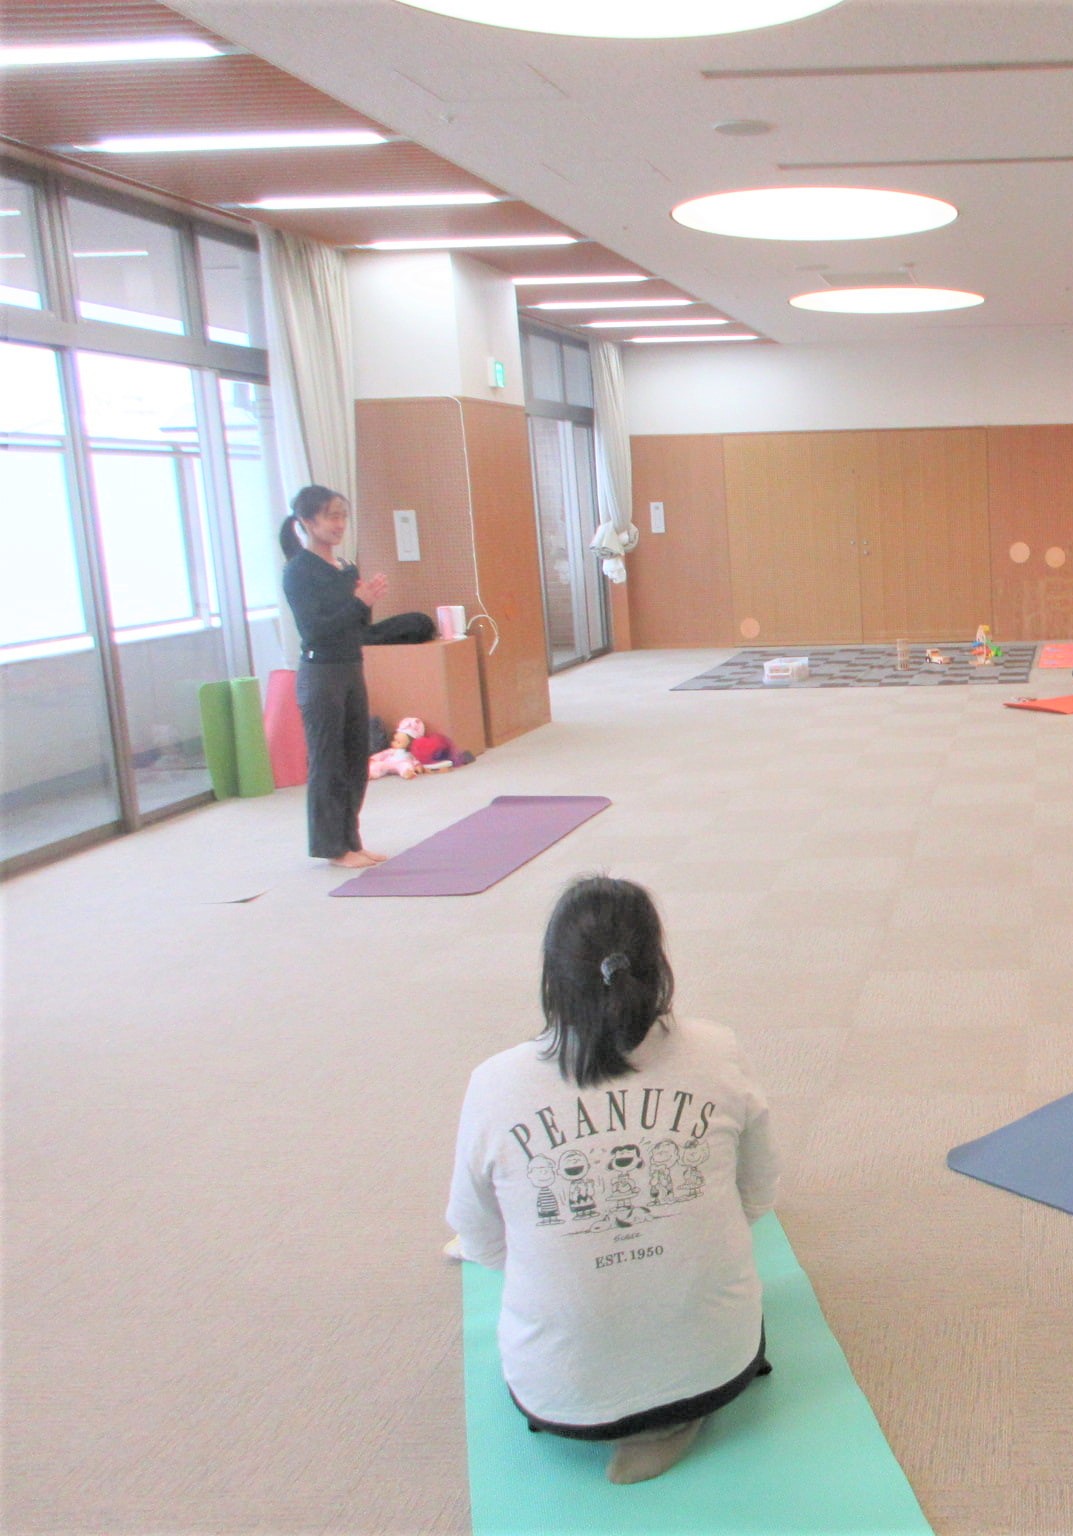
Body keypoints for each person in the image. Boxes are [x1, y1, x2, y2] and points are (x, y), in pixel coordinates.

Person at [447, 877, 780, 1485]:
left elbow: (480, 1240)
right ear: (658, 967)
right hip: (715, 1366)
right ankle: (669, 1418)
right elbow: (757, 1196)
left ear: (553, 978)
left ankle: (639, 1412)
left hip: (559, 1393)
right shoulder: (718, 1050)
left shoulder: (494, 1083)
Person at [279, 485, 387, 867]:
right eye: (331, 516)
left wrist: (366, 603)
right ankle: (333, 848)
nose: (339, 524)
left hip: (350, 667)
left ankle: (351, 841)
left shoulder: (345, 568)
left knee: (356, 757)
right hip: (320, 672)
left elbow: (358, 626)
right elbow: (314, 630)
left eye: (342, 515)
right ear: (308, 522)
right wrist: (358, 603)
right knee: (328, 760)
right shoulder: (298, 570)